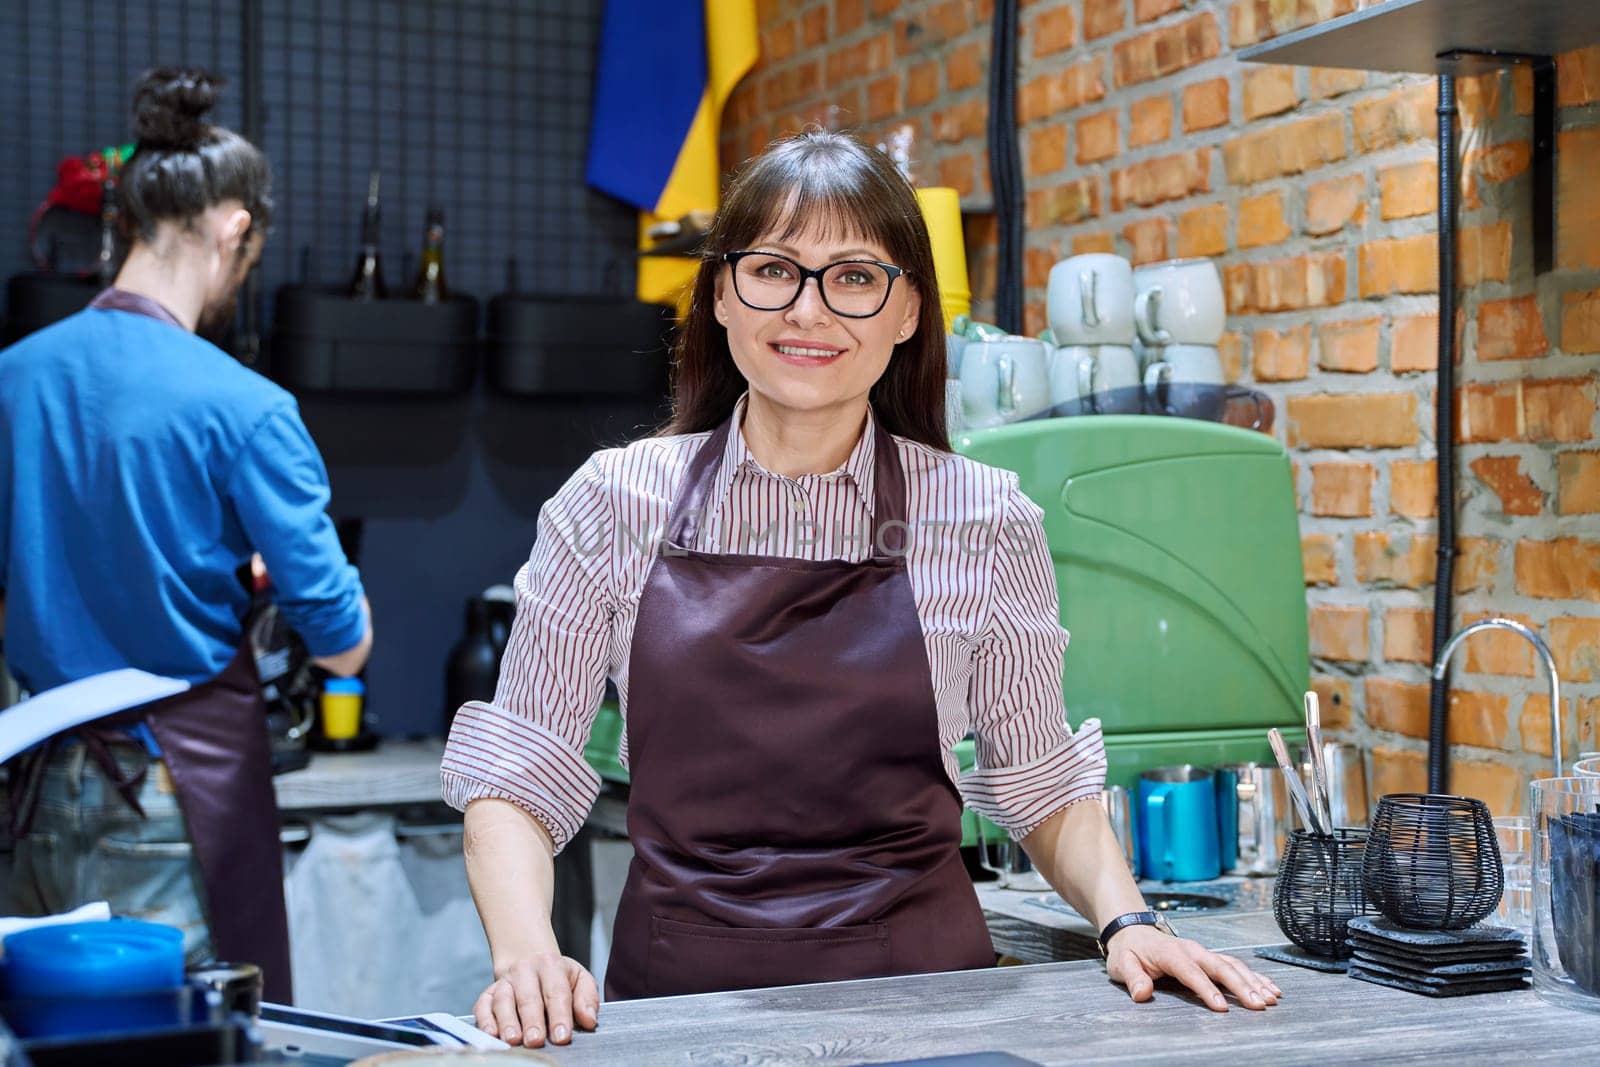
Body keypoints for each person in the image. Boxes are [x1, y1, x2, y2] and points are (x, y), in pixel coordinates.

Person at [440, 130, 1279, 1049]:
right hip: (679, 1013)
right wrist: (525, 953)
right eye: (773, 270)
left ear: (908, 309)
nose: (808, 310)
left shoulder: (983, 514)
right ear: (722, 292)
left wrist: (1128, 922)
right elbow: (520, 774)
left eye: (853, 277)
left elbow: (1038, 780)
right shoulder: (612, 502)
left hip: (930, 1009)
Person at [0, 68, 370, 1003]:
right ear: (233, 227)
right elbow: (339, 636)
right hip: (171, 795)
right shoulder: (245, 406)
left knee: (40, 1034)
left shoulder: (15, 377)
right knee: (180, 1040)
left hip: (28, 791)